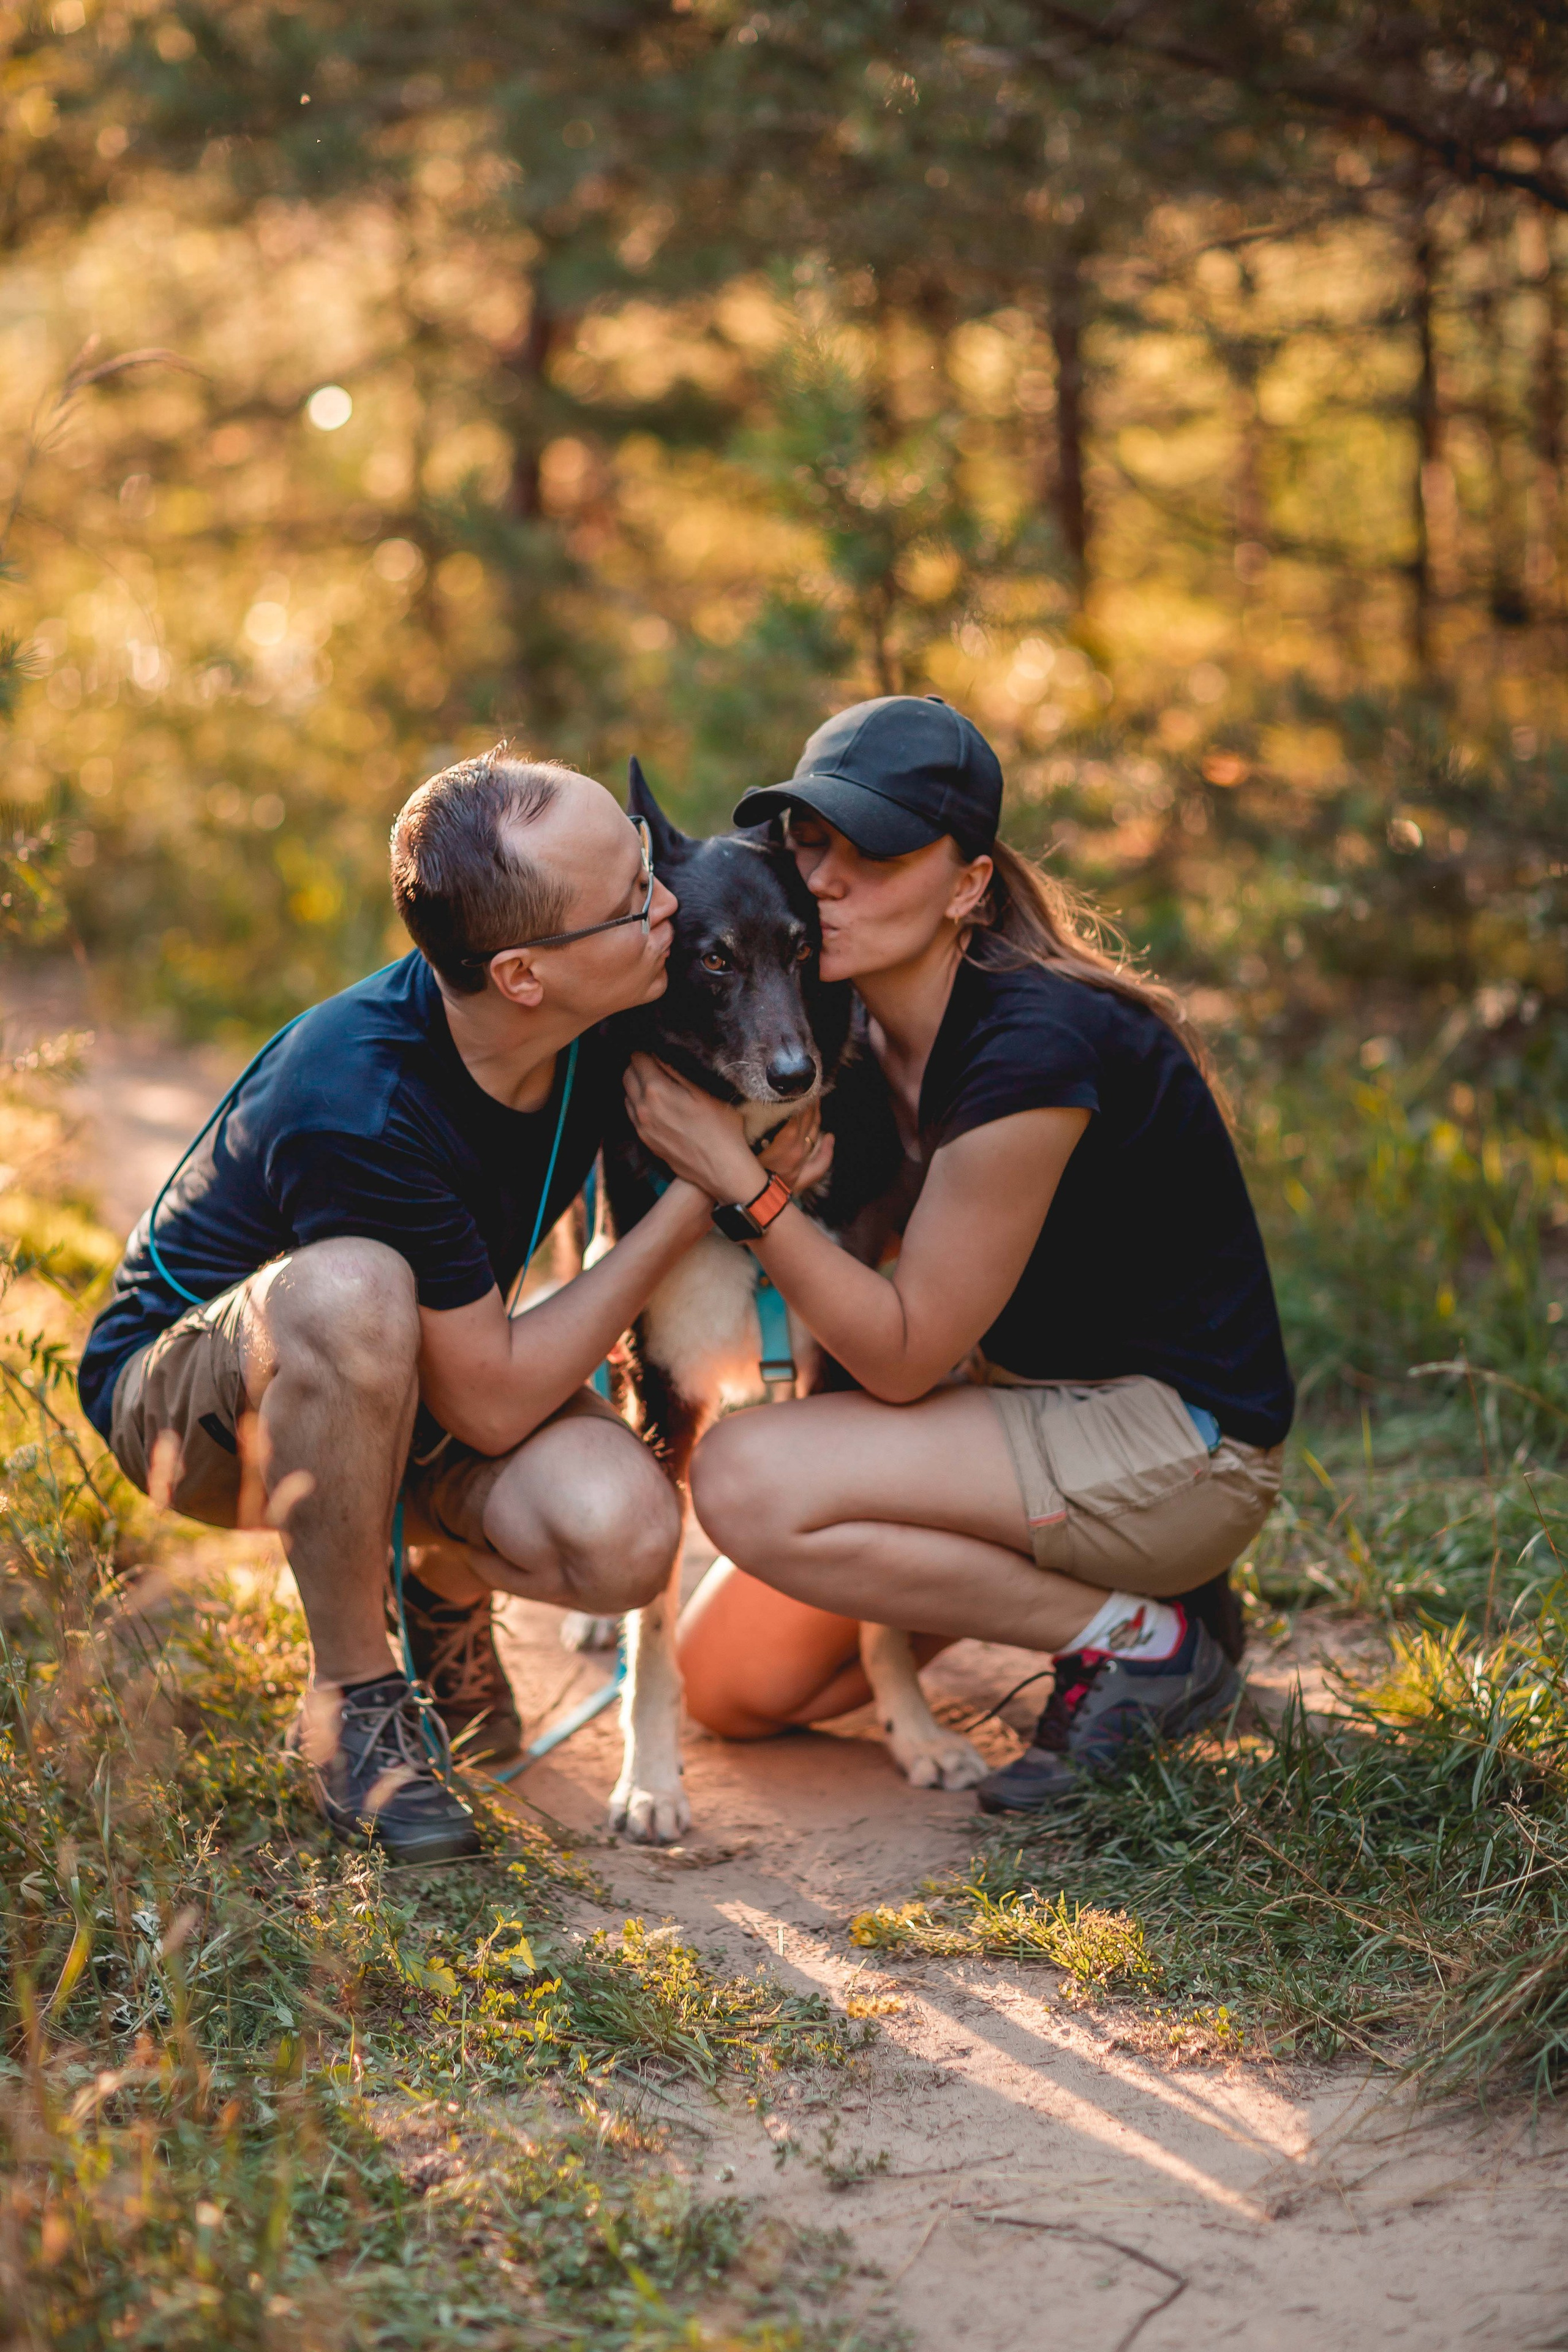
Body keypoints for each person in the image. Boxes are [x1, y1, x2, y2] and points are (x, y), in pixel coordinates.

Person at [78, 748, 812, 1863]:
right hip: (205, 1412)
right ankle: (357, 1701)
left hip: (428, 1375)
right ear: (523, 975)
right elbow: (500, 1403)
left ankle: (443, 1583)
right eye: (632, 899)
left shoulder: (610, 1007)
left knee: (625, 1533)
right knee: (354, 1287)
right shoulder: (358, 1098)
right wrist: (705, 1193)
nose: (668, 903)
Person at [623, 695, 1294, 1811]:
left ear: (970, 885)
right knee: (733, 1688)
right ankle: (1102, 1599)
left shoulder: (1033, 1046)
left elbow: (899, 1358)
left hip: (1180, 1450)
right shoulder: (860, 1032)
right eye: (811, 841)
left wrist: (738, 1181)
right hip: (1024, 1421)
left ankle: (1145, 1639)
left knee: (743, 1480)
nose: (826, 876)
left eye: (874, 849)